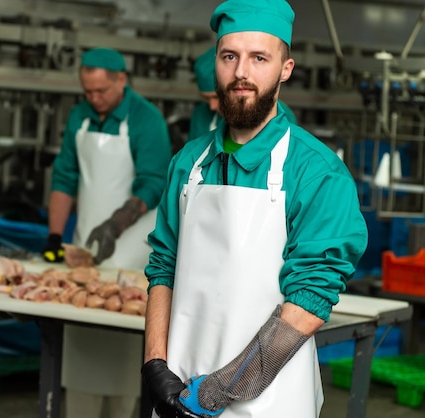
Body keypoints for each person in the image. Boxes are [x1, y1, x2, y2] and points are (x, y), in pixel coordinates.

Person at [141, 1, 368, 418]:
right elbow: (163, 267)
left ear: (286, 68)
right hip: (178, 389)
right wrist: (156, 366)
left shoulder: (317, 173)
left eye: (259, 57)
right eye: (230, 56)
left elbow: (309, 299)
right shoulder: (188, 164)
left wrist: (220, 389)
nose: (241, 72)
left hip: (267, 400)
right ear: (217, 63)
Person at [42, 48, 171, 417]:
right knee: (82, 336)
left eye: (101, 91)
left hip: (131, 249)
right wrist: (54, 235)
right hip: (88, 243)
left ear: (121, 81)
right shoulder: (80, 116)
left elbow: (153, 182)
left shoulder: (146, 119)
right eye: (88, 92)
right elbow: (65, 177)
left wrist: (116, 224)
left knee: (120, 347)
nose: (94, 98)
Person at [188, 45, 297, 142]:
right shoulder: (201, 115)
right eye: (206, 98)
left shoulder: (282, 116)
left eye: (216, 97)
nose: (212, 106)